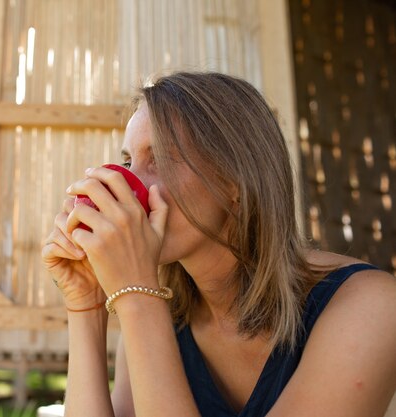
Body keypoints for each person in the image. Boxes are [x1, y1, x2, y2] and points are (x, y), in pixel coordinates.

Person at [41, 71, 396, 417]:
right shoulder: (156, 308)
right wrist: (86, 306)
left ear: (236, 181)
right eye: (127, 161)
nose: (128, 182)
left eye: (160, 158)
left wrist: (137, 299)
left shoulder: (371, 306)